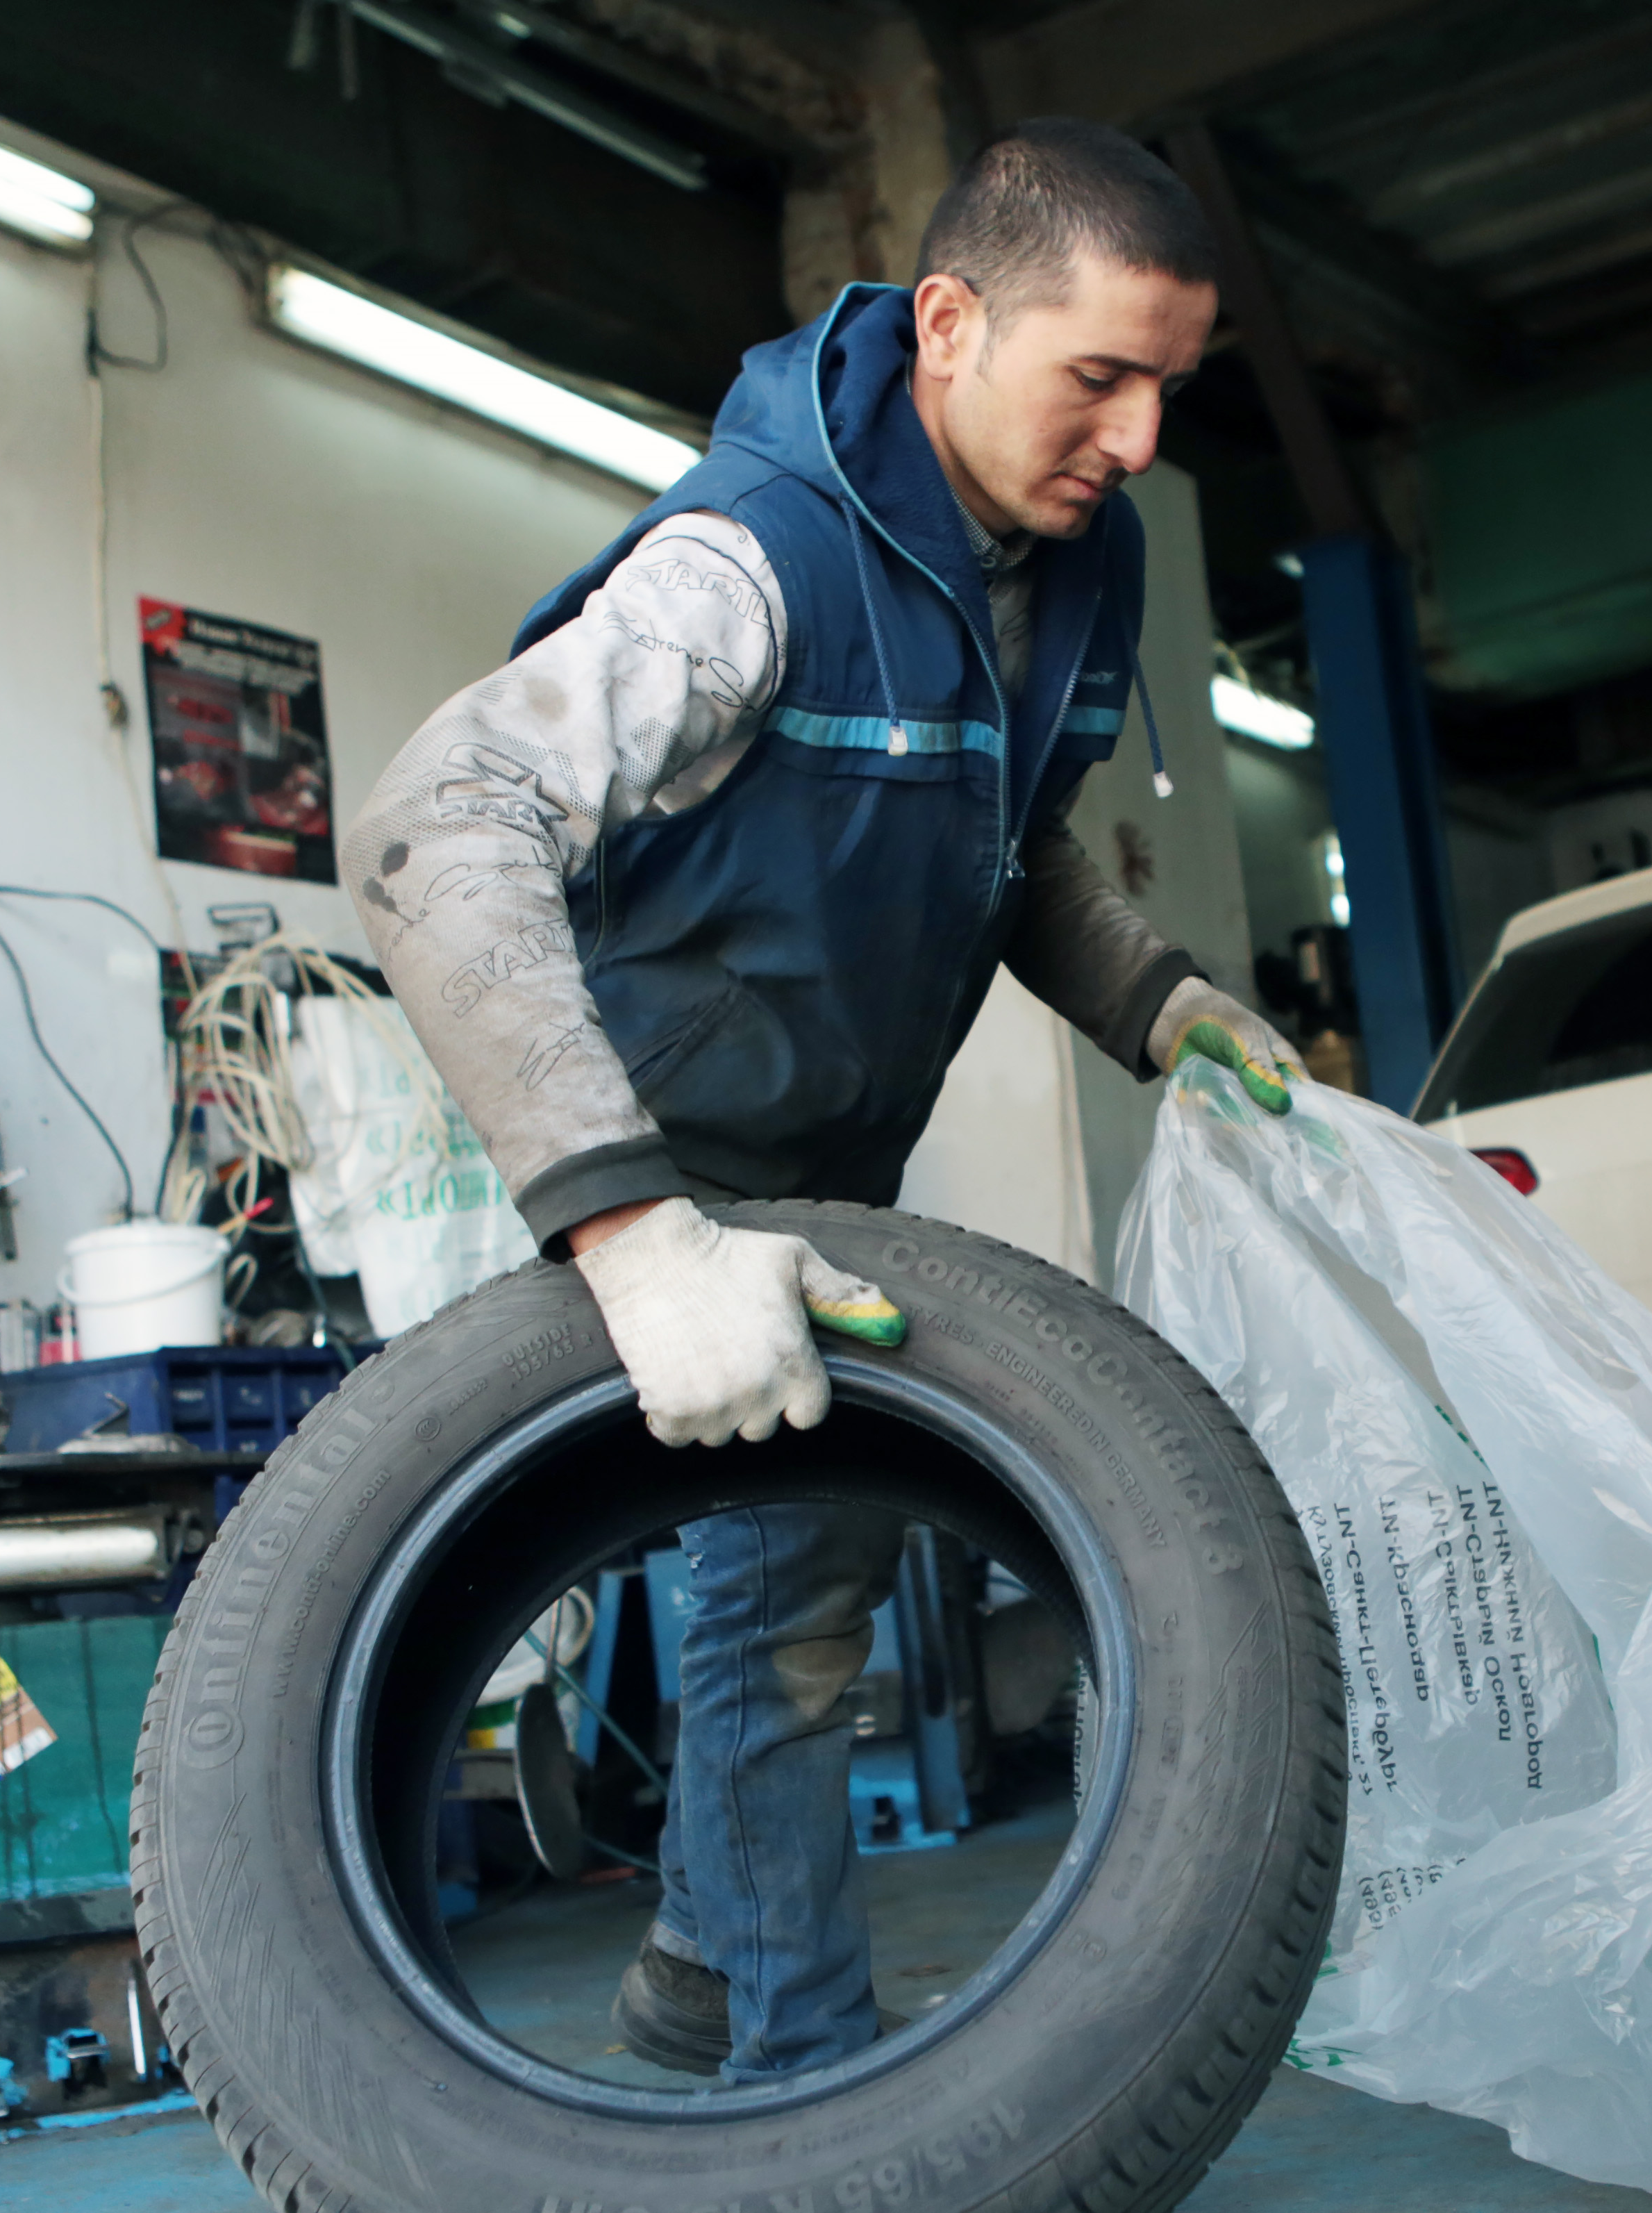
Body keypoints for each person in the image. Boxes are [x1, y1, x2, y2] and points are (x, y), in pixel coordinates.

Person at [340, 119, 1301, 2082]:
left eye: (1169, 392)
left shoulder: (1067, 561)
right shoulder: (748, 571)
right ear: (950, 323)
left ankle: (705, 1964)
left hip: (835, 1158)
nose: (1136, 442)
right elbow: (438, 823)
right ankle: (804, 2100)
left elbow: (1008, 847)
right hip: (640, 1166)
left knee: (811, 1585)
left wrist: (1161, 999)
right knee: (776, 1632)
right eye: (1097, 378)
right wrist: (629, 1226)